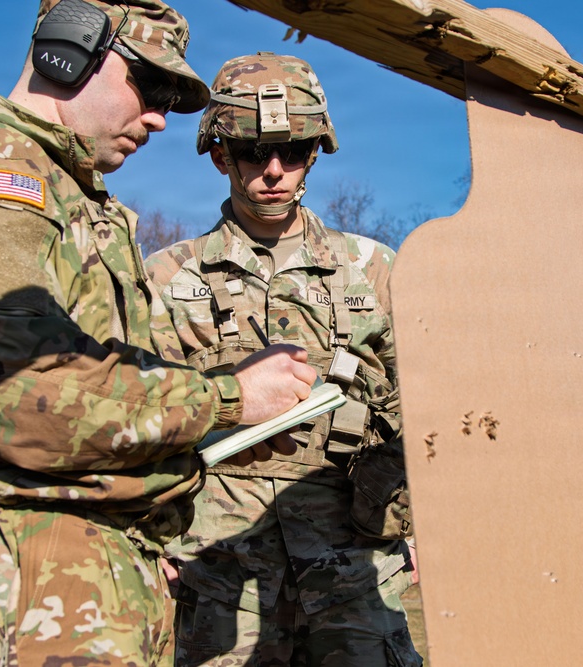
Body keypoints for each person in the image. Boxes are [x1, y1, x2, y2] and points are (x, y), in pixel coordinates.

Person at [0, 3, 317, 665]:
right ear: (70, 50)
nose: (160, 118)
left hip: (82, 561)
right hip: (22, 565)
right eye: (151, 85)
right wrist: (229, 398)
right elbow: (27, 395)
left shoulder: (70, 194)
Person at [144, 52, 420, 666]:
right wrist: (148, 534)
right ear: (220, 155)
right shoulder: (165, 278)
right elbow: (140, 418)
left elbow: (423, 410)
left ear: (314, 153)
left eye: (292, 152)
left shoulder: (375, 269)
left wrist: (425, 524)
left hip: (356, 565)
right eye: (253, 152)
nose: (274, 170)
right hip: (219, 572)